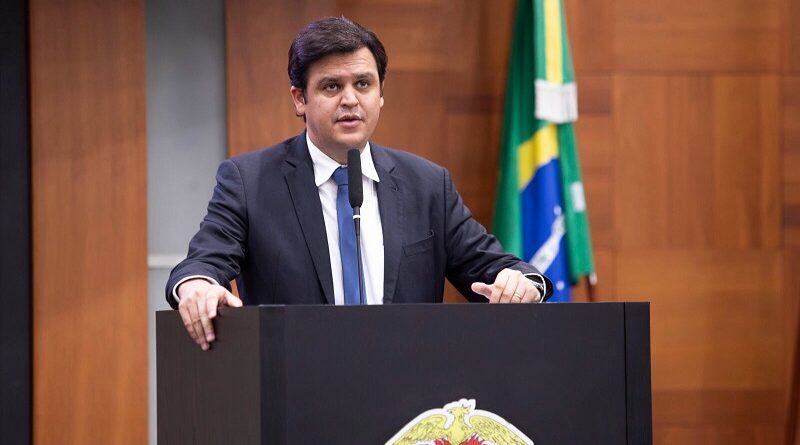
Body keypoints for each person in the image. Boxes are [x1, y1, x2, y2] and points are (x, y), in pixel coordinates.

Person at [167, 17, 553, 351]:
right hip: (296, 388)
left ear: (381, 94)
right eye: (331, 86)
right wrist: (197, 286)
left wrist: (522, 283)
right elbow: (204, 262)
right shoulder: (250, 182)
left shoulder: (427, 185)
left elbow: (498, 268)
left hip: (407, 392)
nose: (350, 99)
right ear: (300, 99)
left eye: (364, 84)